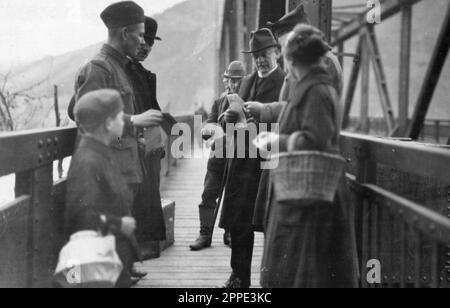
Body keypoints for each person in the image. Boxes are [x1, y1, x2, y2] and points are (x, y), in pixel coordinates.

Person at [257, 24, 359, 288]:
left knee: (305, 271)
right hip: (308, 194)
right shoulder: (315, 86)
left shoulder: (315, 91)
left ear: (291, 61)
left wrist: (277, 140)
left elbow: (316, 140)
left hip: (311, 200)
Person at [70, 1, 163, 280]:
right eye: (139, 35)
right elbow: (88, 119)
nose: (142, 41)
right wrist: (134, 122)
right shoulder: (100, 69)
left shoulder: (119, 67)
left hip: (123, 174)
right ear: (124, 33)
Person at [247, 4, 344, 232]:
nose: (284, 56)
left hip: (306, 173)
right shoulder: (310, 67)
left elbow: (312, 123)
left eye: (284, 46)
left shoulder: (322, 68)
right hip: (296, 168)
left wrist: (276, 133)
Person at [219, 28, 285, 288]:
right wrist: (229, 118)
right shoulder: (246, 82)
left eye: (265, 53)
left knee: (270, 223)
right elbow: (228, 119)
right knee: (238, 223)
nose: (260, 60)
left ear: (277, 52)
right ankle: (239, 277)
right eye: (256, 55)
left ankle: (273, 279)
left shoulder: (285, 82)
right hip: (242, 163)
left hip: (269, 163)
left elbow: (291, 117)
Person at [65, 89, 137, 288]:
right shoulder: (88, 160)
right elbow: (80, 216)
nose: (123, 122)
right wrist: (119, 223)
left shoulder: (100, 153)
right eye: (120, 117)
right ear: (108, 124)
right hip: (98, 264)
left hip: (109, 259)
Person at [189, 61, 246, 251]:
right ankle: (205, 234)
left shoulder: (247, 101)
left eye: (239, 81)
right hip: (218, 155)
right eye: (232, 81)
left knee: (233, 196)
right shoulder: (219, 102)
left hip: (239, 157)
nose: (235, 85)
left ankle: (229, 232)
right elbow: (209, 124)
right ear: (226, 81)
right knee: (209, 194)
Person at [126, 16, 166, 260]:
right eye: (141, 39)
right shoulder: (115, 70)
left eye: (150, 42)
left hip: (144, 153)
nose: (145, 46)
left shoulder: (143, 74)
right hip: (125, 151)